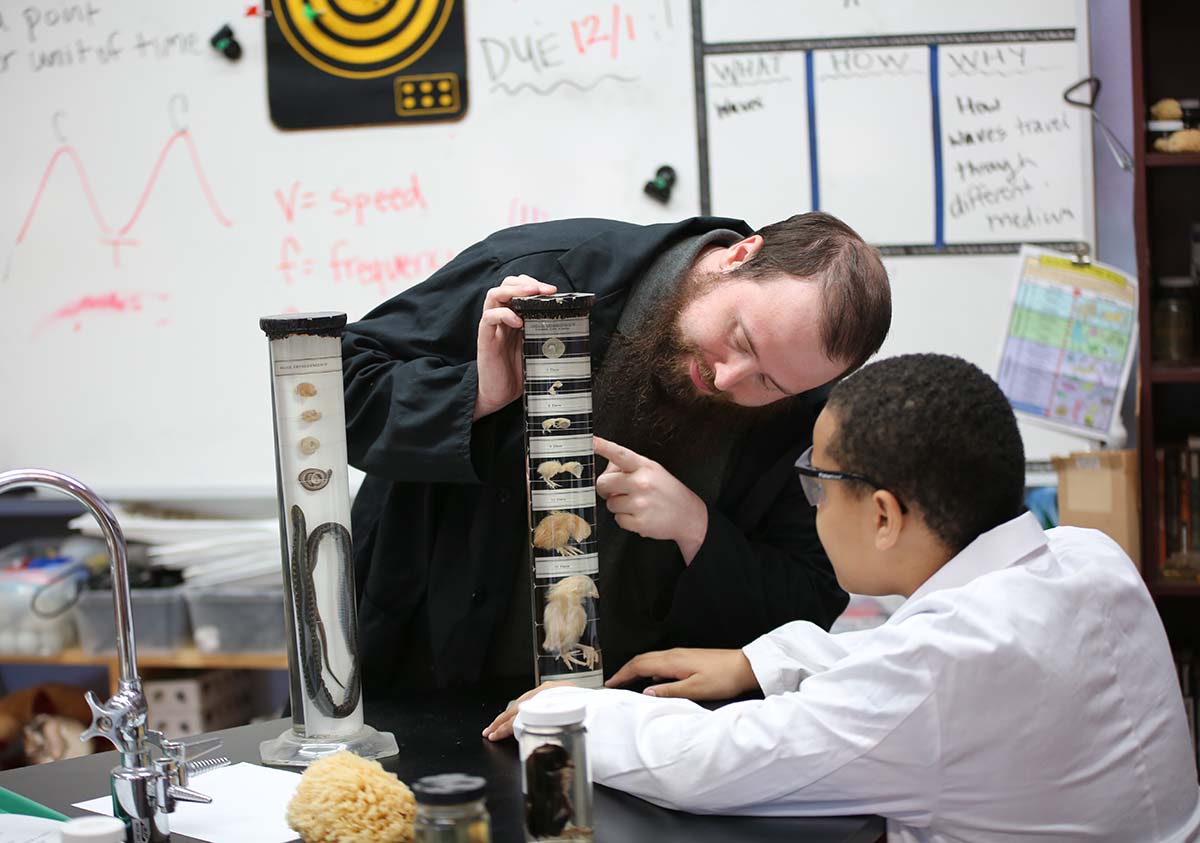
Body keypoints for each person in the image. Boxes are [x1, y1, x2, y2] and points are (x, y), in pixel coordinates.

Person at [484, 354, 1200, 842]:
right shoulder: (1088, 558)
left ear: (884, 514)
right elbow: (912, 668)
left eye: (818, 484)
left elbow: (711, 763)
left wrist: (563, 710)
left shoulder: (943, 669)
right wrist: (759, 662)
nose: (812, 506)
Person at [343, 213, 892, 693]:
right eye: (741, 340)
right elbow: (333, 394)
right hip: (421, 675)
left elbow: (806, 605)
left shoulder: (804, 412)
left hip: (634, 727)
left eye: (767, 383)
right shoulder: (551, 270)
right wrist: (476, 395)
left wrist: (697, 529)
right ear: (739, 256)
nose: (728, 378)